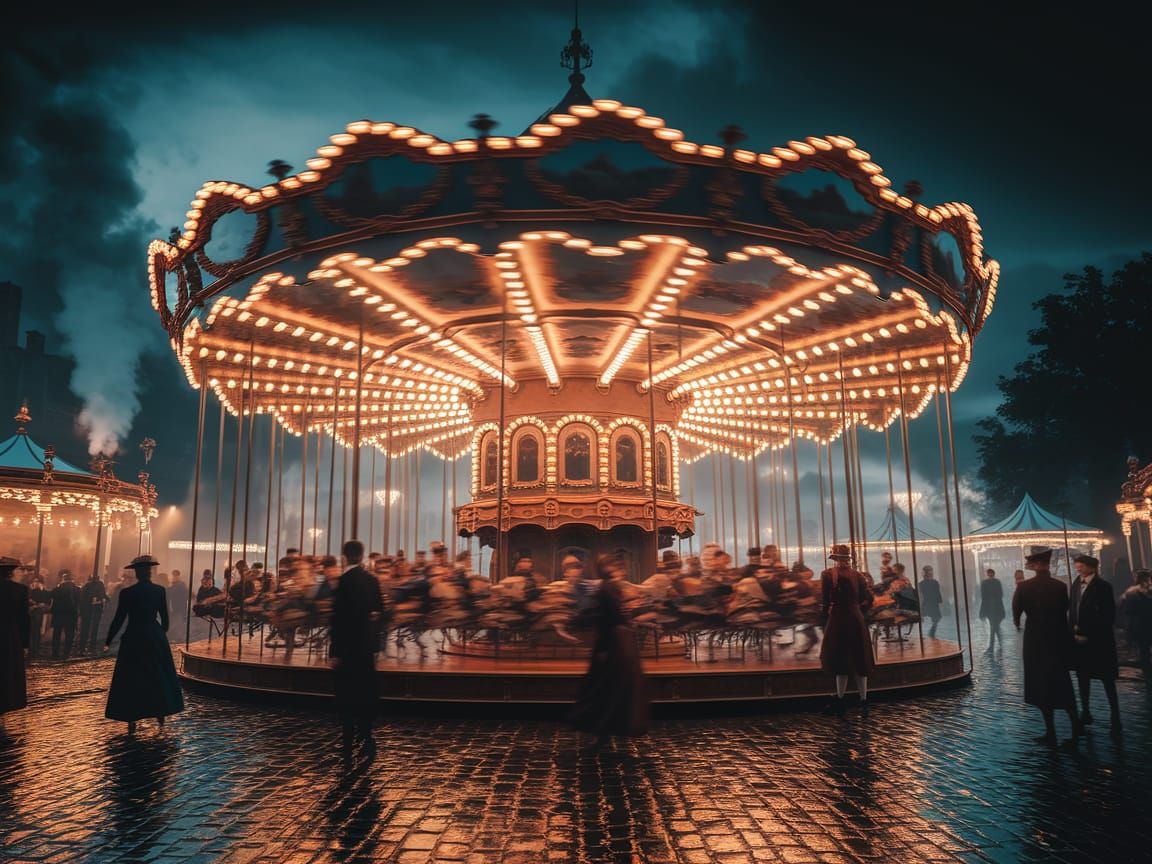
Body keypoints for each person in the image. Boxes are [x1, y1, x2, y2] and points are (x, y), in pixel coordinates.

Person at [570, 555, 649, 744]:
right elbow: (609, 618)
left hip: (616, 641)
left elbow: (609, 617)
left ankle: (605, 726)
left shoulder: (609, 588)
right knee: (609, 685)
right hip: (615, 641)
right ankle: (607, 725)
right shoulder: (608, 588)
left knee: (608, 685)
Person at [103, 555, 185, 734]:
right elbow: (165, 618)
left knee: (132, 676)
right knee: (158, 675)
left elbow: (119, 618)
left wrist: (109, 639)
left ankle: (132, 715)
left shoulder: (127, 593)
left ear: (136, 574)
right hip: (154, 635)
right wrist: (160, 633)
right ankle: (161, 712)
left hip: (134, 635)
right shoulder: (160, 591)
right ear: (150, 573)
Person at [1012, 547, 1080, 749]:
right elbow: (1066, 609)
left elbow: (1016, 611)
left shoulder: (1023, 587)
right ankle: (1075, 724)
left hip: (1035, 640)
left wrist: (1018, 623)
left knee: (1041, 683)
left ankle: (1050, 730)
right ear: (1047, 565)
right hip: (1057, 638)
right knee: (1062, 682)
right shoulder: (1059, 586)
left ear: (1035, 566)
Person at [330, 540, 384, 755]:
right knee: (365, 688)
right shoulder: (372, 579)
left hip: (347, 647)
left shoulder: (343, 581)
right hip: (366, 645)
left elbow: (338, 619)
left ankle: (347, 736)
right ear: (362, 557)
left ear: (344, 556)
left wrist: (335, 651)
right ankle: (367, 733)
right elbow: (380, 608)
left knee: (346, 691)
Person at [1069, 554, 1121, 739]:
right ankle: (1085, 711)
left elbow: (1107, 616)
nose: (1078, 569)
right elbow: (1073, 608)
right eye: (1077, 566)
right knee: (1083, 677)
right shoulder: (1076, 584)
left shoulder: (1103, 587)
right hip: (1079, 640)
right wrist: (1073, 627)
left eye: (1081, 566)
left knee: (1107, 679)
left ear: (1092, 567)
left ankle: (1115, 714)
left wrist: (1089, 634)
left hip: (1099, 642)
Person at [819, 544, 875, 717]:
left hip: (838, 618)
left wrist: (823, 618)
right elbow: (868, 598)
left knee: (840, 658)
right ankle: (862, 700)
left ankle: (843, 700)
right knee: (858, 658)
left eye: (842, 559)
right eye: (841, 559)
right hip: (854, 618)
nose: (842, 562)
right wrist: (860, 611)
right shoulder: (857, 575)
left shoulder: (828, 575)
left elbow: (825, 599)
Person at [1, 558, 30, 722]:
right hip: (10, 637)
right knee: (7, 671)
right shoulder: (19, 590)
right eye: (20, 570)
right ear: (11, 572)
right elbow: (24, 619)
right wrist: (25, 643)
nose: (23, 573)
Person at [49, 570, 81, 660]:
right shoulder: (77, 590)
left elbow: (51, 598)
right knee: (69, 635)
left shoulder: (57, 589)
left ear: (63, 579)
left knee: (56, 635)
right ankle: (66, 654)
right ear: (72, 580)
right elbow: (79, 602)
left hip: (58, 615)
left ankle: (55, 654)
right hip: (71, 615)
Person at [79, 573, 108, 654]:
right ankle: (91, 647)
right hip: (96, 611)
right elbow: (103, 597)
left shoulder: (86, 586)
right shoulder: (100, 585)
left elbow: (82, 599)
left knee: (85, 629)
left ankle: (82, 647)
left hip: (87, 611)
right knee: (94, 629)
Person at [978, 568, 1005, 653]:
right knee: (994, 627)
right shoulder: (996, 582)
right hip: (994, 608)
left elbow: (983, 596)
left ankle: (992, 646)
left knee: (994, 627)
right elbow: (1000, 594)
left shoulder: (986, 583)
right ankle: (997, 645)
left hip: (991, 608)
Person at [28, 574, 51, 658]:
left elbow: (47, 602)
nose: (35, 583)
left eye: (37, 581)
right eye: (34, 581)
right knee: (31, 633)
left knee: (37, 632)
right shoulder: (29, 591)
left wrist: (39, 605)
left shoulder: (44, 592)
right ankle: (31, 650)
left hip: (38, 614)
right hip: (30, 614)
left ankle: (36, 650)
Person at [919, 565, 942, 637]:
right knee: (935, 617)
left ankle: (932, 630)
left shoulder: (934, 582)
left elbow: (937, 592)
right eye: (929, 571)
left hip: (932, 602)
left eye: (931, 571)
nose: (931, 572)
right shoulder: (922, 583)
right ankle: (931, 631)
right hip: (928, 602)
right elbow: (921, 595)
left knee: (936, 617)